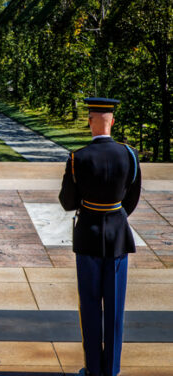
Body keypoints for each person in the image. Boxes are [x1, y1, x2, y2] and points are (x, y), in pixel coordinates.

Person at [59, 97, 141, 376]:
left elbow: (68, 202)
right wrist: (114, 214)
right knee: (115, 307)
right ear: (112, 121)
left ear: (91, 121)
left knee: (91, 306)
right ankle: (112, 369)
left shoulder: (77, 157)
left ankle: (93, 369)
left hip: (88, 235)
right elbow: (132, 198)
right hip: (118, 235)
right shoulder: (129, 154)